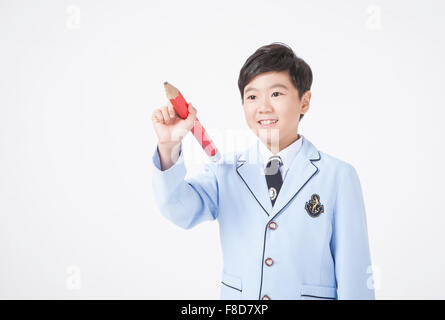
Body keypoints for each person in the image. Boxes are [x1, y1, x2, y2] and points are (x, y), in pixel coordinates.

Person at [151, 42, 375, 300]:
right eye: (252, 96)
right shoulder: (226, 171)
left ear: (305, 102)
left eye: (276, 94)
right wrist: (168, 147)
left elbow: (355, 276)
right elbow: (177, 208)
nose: (263, 107)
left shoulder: (338, 177)